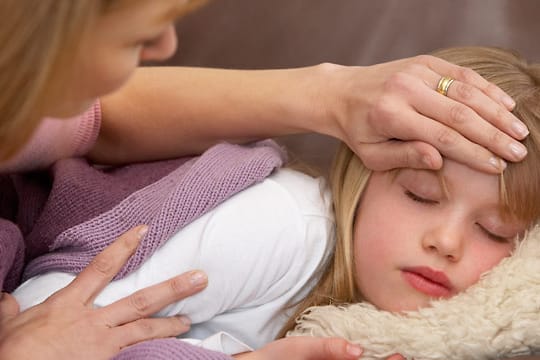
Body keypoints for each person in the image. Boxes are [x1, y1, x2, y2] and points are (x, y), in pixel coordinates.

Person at [0, 0, 530, 357]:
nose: (446, 242)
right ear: (360, 176)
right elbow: (52, 316)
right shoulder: (285, 224)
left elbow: (91, 121)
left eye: (496, 232)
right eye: (420, 195)